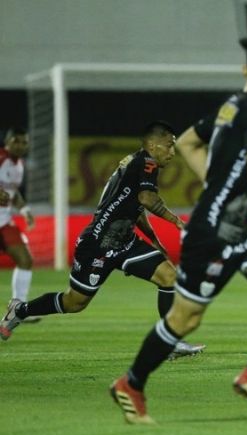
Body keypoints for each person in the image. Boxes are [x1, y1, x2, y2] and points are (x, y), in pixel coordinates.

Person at [109, 36, 247, 425]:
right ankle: (130, 384)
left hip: (239, 226)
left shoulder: (231, 106)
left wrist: (215, 185)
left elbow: (185, 142)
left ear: (246, 68)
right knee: (184, 320)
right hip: (213, 232)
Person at [0, 122, 204, 358]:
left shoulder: (137, 163)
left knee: (169, 277)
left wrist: (154, 240)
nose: (172, 152)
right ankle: (20, 310)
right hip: (97, 244)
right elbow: (147, 199)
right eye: (169, 146)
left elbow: (136, 207)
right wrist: (178, 222)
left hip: (125, 242)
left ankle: (169, 343)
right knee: (74, 303)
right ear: (152, 144)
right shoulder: (146, 162)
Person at [0, 128, 36, 319]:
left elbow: (13, 193)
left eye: (24, 142)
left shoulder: (19, 165)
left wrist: (25, 211)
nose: (21, 145)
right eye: (16, 141)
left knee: (25, 259)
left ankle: (18, 309)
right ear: (7, 142)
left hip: (4, 221)